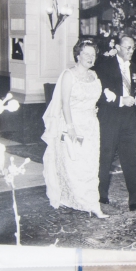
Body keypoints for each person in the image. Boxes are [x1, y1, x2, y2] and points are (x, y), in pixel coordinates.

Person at [40, 39, 108, 218]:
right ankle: (80, 200)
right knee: (75, 165)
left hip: (91, 126)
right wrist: (70, 128)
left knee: (91, 165)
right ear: (78, 56)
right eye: (86, 54)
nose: (90, 57)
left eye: (93, 54)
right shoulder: (68, 75)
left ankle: (91, 202)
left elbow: (94, 100)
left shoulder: (94, 76)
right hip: (73, 125)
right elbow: (65, 104)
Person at [93, 35, 136, 211]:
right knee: (105, 158)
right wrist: (121, 100)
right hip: (109, 117)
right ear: (118, 47)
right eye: (128, 47)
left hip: (128, 118)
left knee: (130, 159)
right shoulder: (104, 65)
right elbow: (99, 93)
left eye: (133, 48)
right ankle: (100, 196)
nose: (131, 51)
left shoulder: (134, 66)